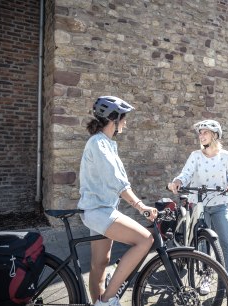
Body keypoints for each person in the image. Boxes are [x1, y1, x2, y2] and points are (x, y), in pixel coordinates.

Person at [78, 96, 157, 306]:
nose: (126, 123)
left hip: (98, 210)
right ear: (113, 118)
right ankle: (106, 300)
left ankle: (98, 302)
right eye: (124, 118)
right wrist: (141, 207)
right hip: (100, 211)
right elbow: (118, 182)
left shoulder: (105, 143)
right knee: (145, 240)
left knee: (99, 264)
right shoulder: (98, 144)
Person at [167, 119, 228, 297]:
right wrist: (178, 181)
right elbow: (186, 173)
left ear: (214, 135)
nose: (201, 135)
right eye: (200, 133)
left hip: (220, 204)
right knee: (204, 244)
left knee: (226, 244)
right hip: (200, 205)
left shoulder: (226, 156)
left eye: (204, 132)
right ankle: (206, 276)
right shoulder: (195, 155)